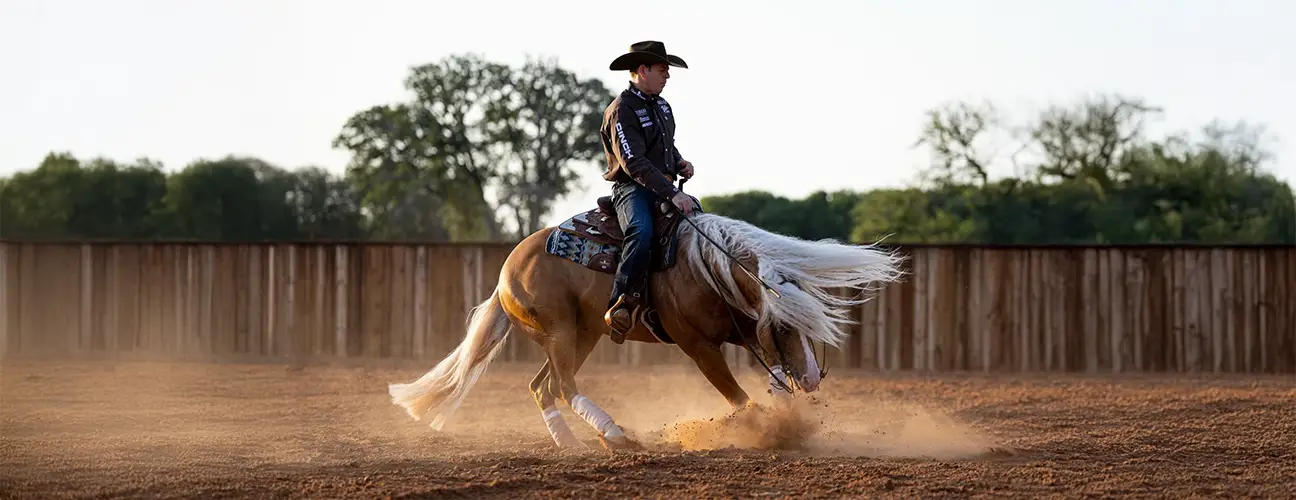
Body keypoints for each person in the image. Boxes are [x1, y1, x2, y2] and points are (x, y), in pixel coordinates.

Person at [599, 40, 700, 344]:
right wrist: (672, 193)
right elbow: (633, 162)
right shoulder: (621, 109)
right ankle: (622, 303)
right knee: (641, 232)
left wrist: (678, 160)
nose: (667, 76)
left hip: (663, 186)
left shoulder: (662, 106)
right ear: (642, 70)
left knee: (700, 226)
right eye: (662, 70)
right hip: (633, 189)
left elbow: (661, 144)